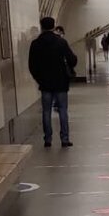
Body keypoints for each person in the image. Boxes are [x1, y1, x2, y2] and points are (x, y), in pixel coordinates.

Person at [28, 16, 77, 148]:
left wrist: (39, 79)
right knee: (62, 110)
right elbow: (72, 60)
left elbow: (32, 65)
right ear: (54, 26)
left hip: (45, 83)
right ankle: (65, 139)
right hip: (61, 82)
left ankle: (48, 139)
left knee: (46, 111)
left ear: (41, 27)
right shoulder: (61, 42)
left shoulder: (36, 44)